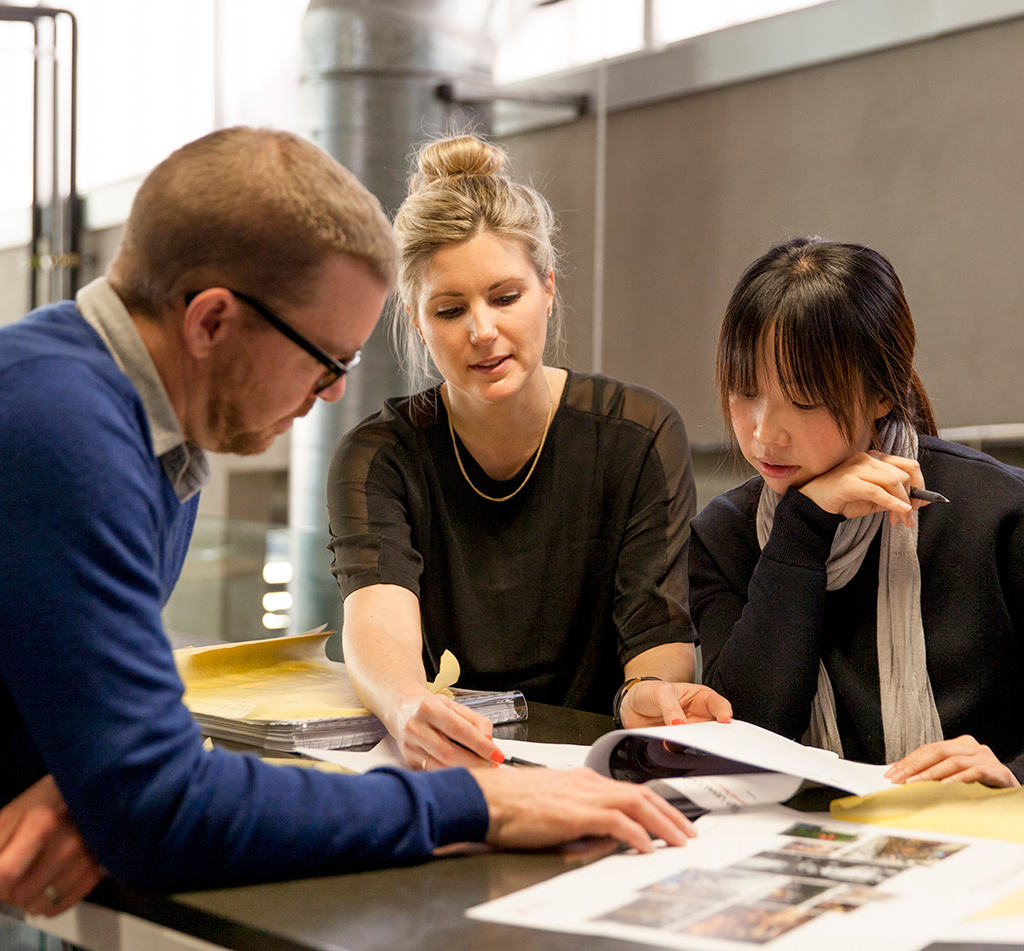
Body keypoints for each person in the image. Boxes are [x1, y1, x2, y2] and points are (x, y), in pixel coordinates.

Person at [0, 127, 706, 917]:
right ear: (211, 322)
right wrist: (480, 803)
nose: (333, 392)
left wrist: (90, 781)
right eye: (326, 359)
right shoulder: (63, 435)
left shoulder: (135, 428)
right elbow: (160, 810)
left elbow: (116, 760)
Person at [327, 133, 732, 773]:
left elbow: (656, 629)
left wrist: (650, 692)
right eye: (450, 309)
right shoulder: (379, 456)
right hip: (447, 767)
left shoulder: (638, 433)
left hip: (594, 770)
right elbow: (377, 622)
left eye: (505, 297)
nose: (482, 330)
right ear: (417, 322)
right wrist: (407, 705)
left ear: (548, 288)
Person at [689, 236, 1024, 788]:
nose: (763, 432)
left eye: (803, 400)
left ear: (880, 394)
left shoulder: (996, 513)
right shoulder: (724, 535)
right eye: (744, 392)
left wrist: (1013, 778)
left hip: (979, 831)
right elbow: (745, 737)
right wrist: (803, 528)